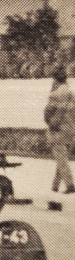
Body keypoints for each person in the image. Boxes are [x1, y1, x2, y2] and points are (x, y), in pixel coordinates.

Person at [44, 66, 75, 194]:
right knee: (62, 156)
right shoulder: (71, 93)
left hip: (57, 129)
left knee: (60, 157)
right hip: (70, 128)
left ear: (55, 79)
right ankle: (55, 185)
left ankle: (70, 184)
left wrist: (50, 123)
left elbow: (48, 113)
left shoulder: (55, 94)